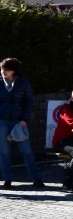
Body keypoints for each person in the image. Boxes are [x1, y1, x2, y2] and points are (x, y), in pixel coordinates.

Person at [0, 58, 43, 189]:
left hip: (19, 122)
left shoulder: (23, 83)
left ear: (14, 70)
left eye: (7, 69)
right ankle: (7, 179)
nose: (3, 72)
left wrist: (24, 119)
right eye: (2, 69)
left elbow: (29, 102)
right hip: (2, 120)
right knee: (4, 152)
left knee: (27, 150)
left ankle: (36, 178)